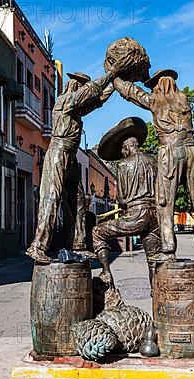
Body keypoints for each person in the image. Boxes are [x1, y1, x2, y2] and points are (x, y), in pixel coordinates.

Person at [113, 70, 194, 261]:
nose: (154, 88)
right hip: (192, 151)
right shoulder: (184, 101)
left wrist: (114, 77)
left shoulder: (156, 100)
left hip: (170, 151)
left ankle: (168, 248)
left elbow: (132, 93)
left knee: (164, 202)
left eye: (155, 85)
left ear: (160, 85)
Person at [26, 72, 115, 264]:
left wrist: (114, 85)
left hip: (71, 156)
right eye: (82, 85)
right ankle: (38, 246)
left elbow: (97, 100)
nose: (84, 89)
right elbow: (91, 92)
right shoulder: (65, 101)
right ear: (75, 85)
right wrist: (111, 73)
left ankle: (78, 244)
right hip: (58, 153)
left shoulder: (76, 109)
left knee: (79, 201)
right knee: (52, 197)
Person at [93, 117, 161, 287]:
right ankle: (158, 293)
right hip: (156, 217)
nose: (122, 153)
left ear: (126, 147)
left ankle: (106, 272)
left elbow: (122, 199)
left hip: (136, 215)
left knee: (97, 232)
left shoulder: (123, 165)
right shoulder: (155, 162)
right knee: (154, 260)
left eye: (122, 150)